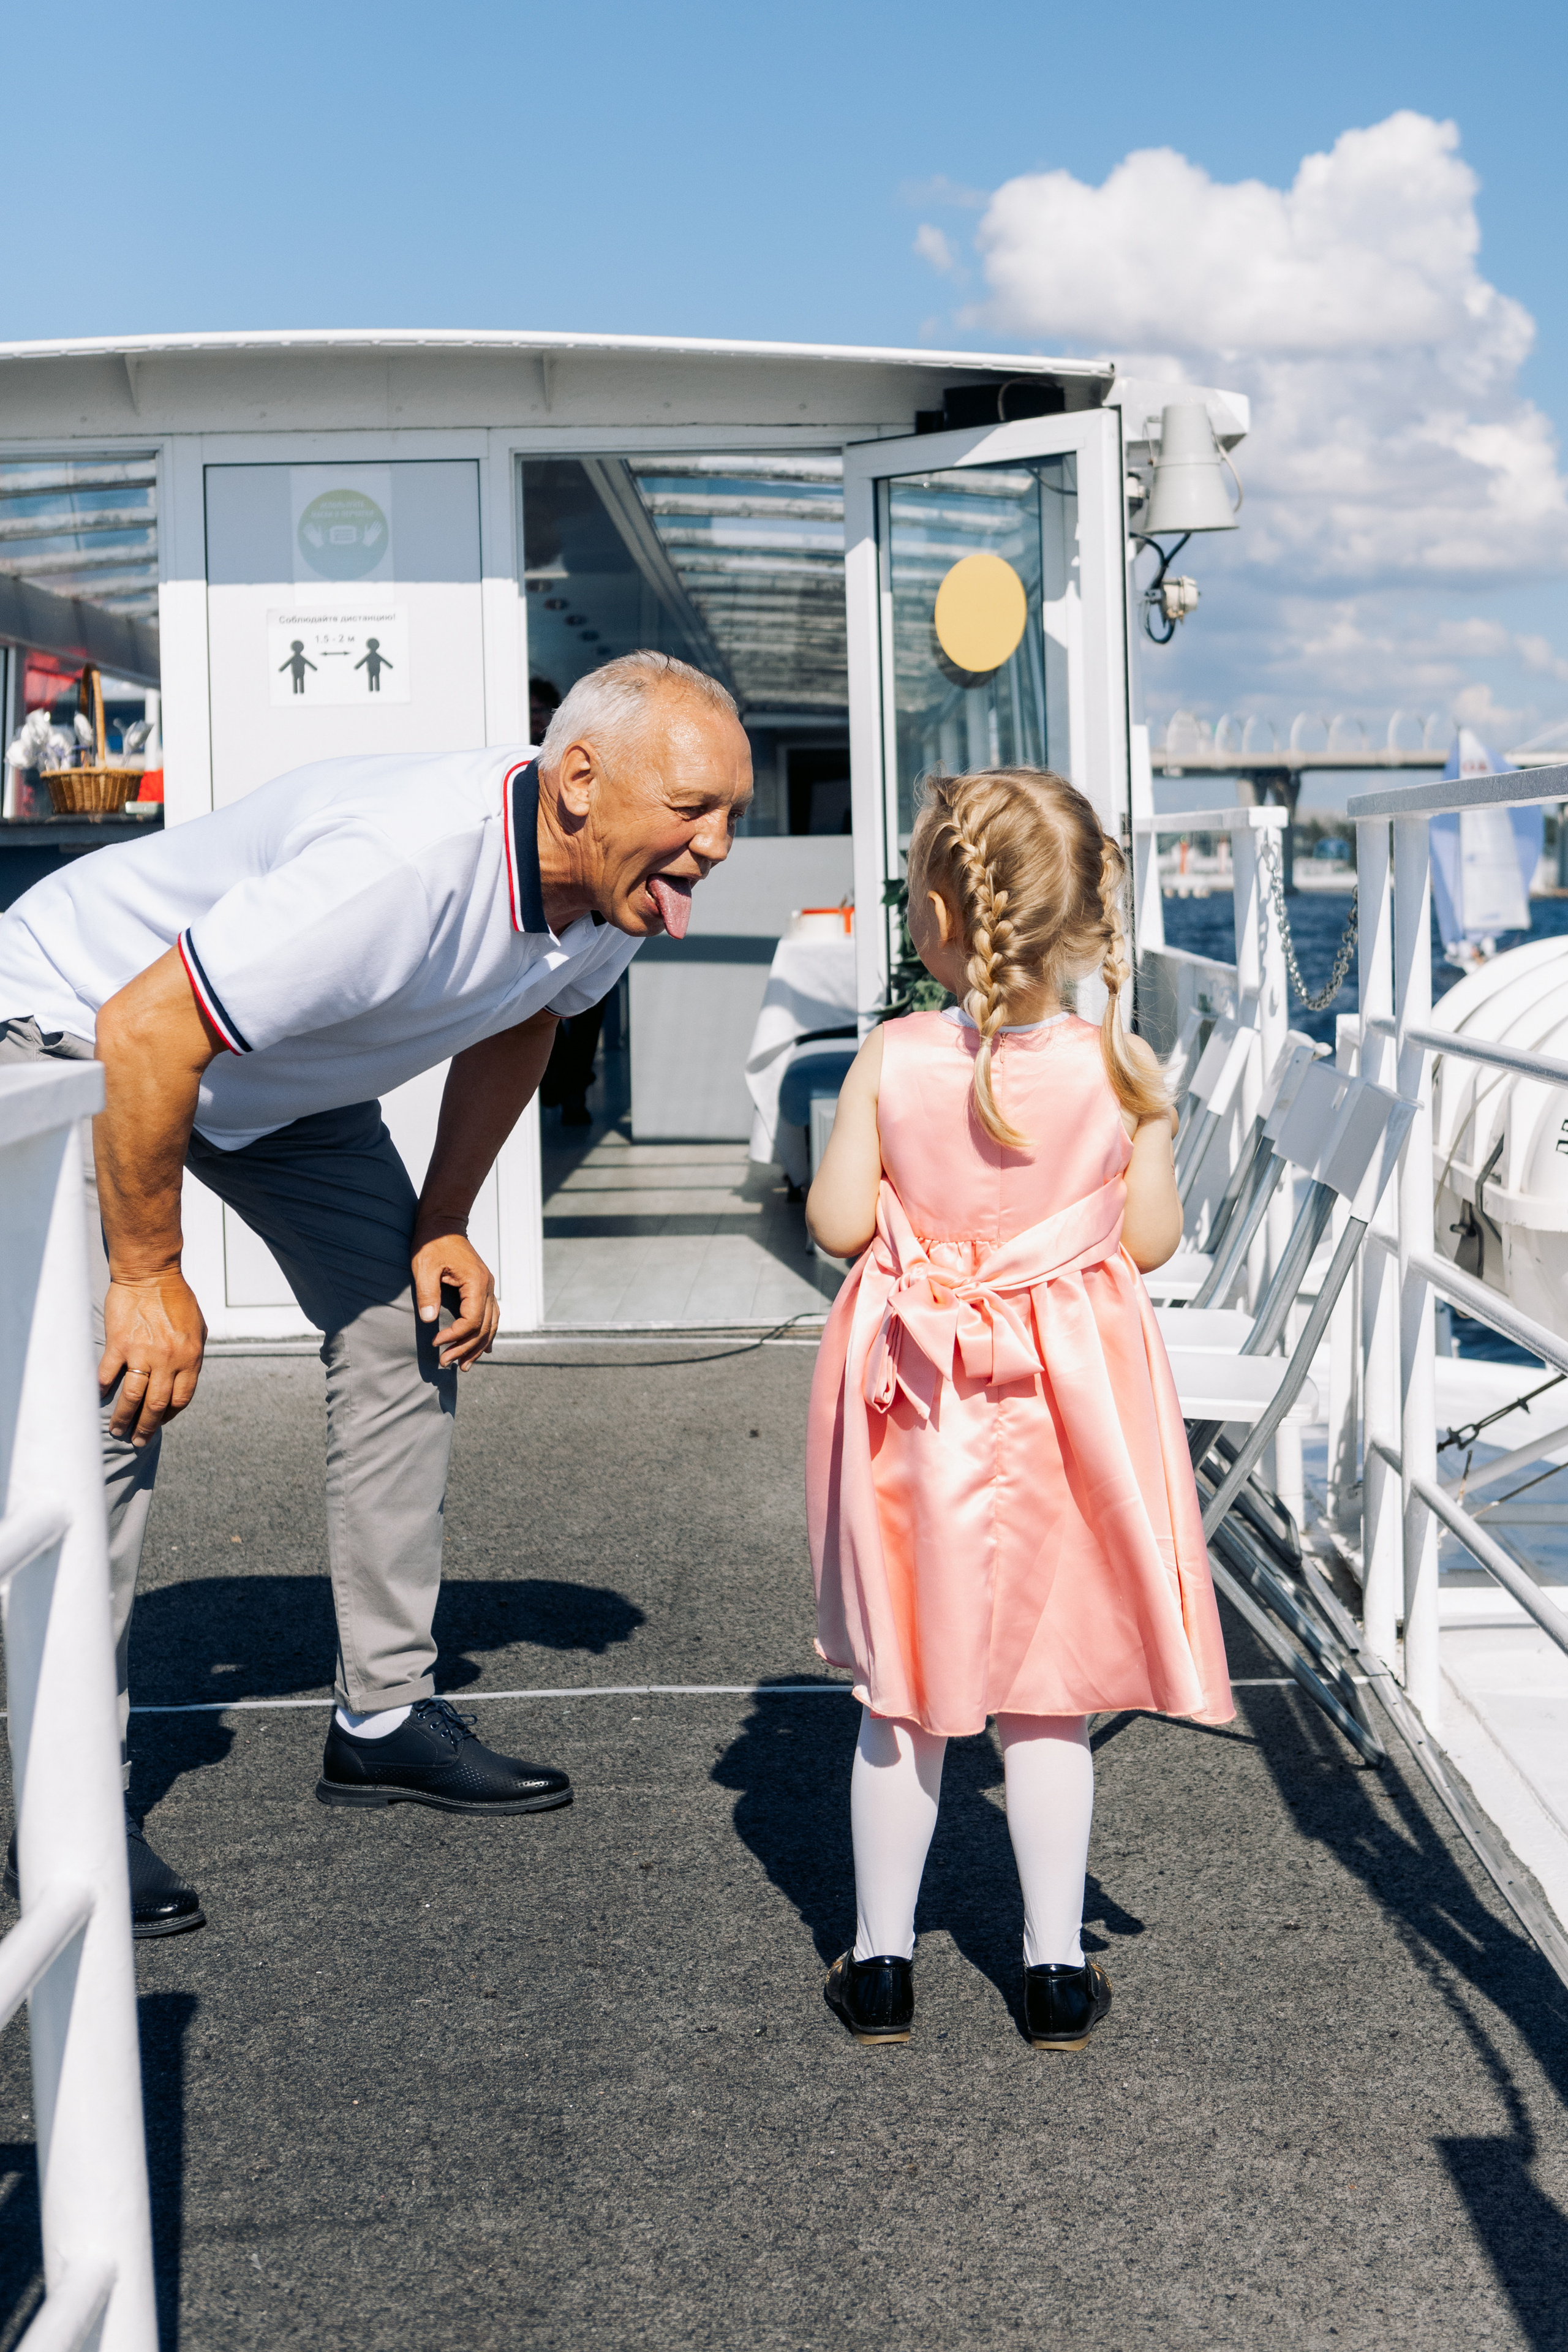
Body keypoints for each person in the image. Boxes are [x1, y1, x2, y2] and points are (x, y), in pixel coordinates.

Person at [0, 651, 750, 1936]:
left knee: (413, 1333)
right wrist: (146, 1274)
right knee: (114, 1400)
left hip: (269, 1081)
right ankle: (59, 1803)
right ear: (579, 782)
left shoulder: (614, 896)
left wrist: (443, 1219)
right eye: (694, 810)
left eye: (731, 815)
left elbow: (531, 1012)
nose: (717, 846)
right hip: (81, 1044)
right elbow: (148, 1029)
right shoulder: (405, 868)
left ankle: (385, 1715)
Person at [804, 767, 1232, 2051]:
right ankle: (1051, 1973)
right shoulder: (1119, 1067)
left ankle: (880, 1964)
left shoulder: (891, 1057)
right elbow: (1146, 1244)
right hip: (1062, 1413)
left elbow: (833, 1224)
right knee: (1047, 1696)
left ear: (934, 913)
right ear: (1088, 917)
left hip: (918, 1409)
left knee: (902, 1694)